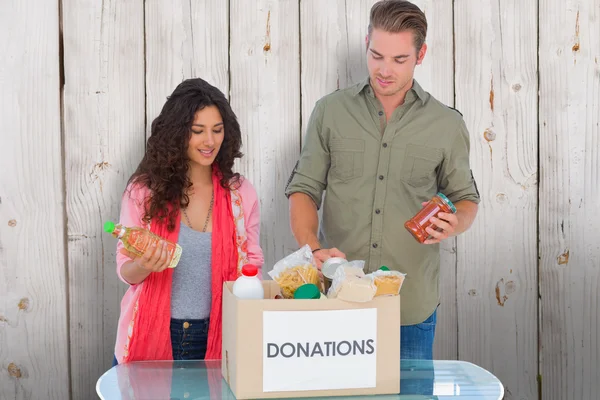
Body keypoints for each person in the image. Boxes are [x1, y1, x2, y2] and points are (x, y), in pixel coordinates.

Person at [285, 0, 479, 361]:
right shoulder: (330, 111)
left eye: (399, 59)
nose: (384, 69)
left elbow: (465, 197)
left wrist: (457, 222)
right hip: (337, 300)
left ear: (420, 55)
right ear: (366, 43)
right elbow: (304, 189)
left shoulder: (447, 124)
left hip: (409, 309)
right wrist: (312, 247)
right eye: (376, 55)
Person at [111, 78, 263, 365]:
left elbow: (252, 263)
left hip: (222, 336)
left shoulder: (240, 194)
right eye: (198, 131)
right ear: (177, 134)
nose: (210, 141)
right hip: (153, 335)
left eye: (217, 130)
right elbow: (125, 270)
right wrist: (143, 265)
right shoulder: (144, 191)